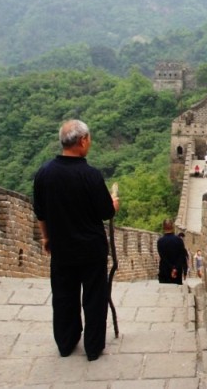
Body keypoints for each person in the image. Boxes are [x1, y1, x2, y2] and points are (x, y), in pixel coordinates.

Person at [33, 119, 119, 362]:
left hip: (61, 247)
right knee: (94, 297)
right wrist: (114, 203)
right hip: (91, 249)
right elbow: (106, 212)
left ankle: (66, 343)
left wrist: (46, 237)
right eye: (89, 139)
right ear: (82, 141)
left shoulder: (45, 173)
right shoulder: (90, 175)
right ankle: (93, 348)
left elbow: (40, 212)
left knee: (63, 296)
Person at [157, 219, 188, 285]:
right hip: (177, 273)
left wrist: (171, 268)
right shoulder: (179, 240)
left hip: (165, 271)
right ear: (173, 227)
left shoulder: (160, 241)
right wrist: (175, 268)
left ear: (163, 227)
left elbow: (162, 257)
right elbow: (182, 256)